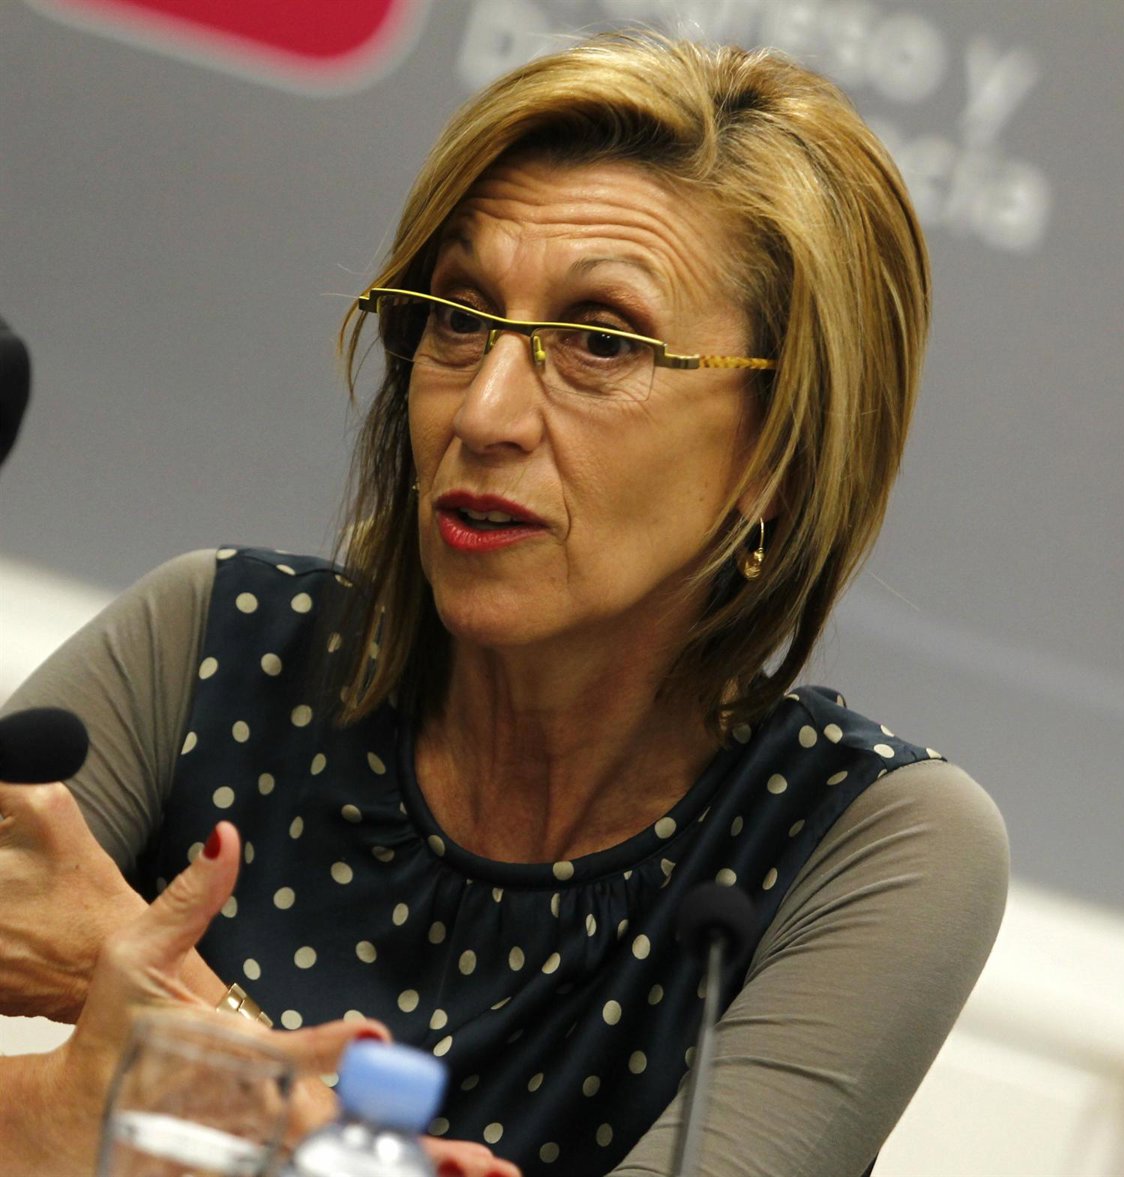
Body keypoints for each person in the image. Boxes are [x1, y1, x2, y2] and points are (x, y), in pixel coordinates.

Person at [0, 31, 1008, 1177]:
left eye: (599, 341)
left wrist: (183, 1032)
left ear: (780, 449)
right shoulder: (212, 647)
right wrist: (48, 1111)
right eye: (461, 315)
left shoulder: (869, 839)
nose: (484, 413)